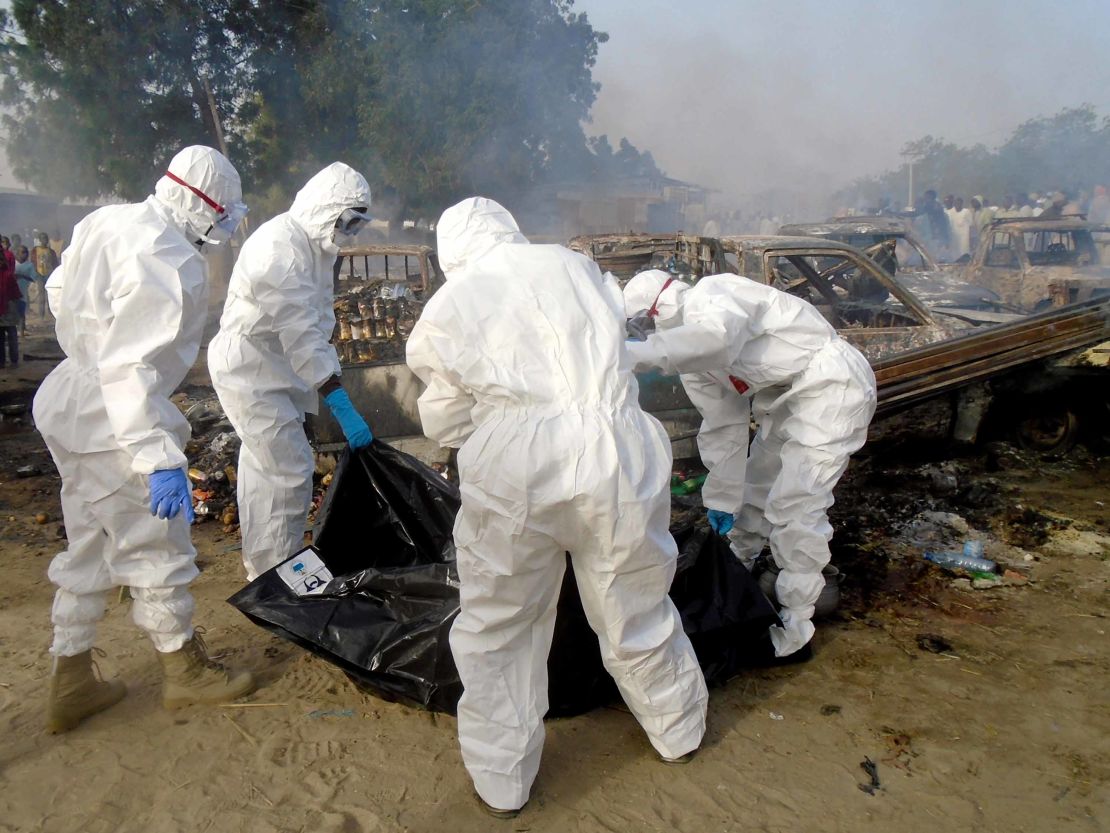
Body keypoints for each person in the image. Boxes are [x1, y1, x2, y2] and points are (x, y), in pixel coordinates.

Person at [406, 198, 707, 817]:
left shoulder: (449, 304)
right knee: (635, 598)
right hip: (619, 448)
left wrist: (492, 428)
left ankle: (503, 780)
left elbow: (444, 418)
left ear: (451, 253)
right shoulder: (576, 268)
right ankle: (678, 730)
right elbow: (617, 349)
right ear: (511, 229)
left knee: (500, 623)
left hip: (516, 464)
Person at [33, 145, 255, 734]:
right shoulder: (169, 258)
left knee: (87, 542)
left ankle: (72, 680)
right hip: (112, 417)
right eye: (223, 213)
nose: (223, 225)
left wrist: (91, 340)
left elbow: (60, 295)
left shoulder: (109, 219)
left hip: (70, 396)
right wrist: (157, 457)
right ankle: (185, 672)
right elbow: (130, 369)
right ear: (200, 203)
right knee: (155, 542)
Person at [622, 270, 876, 661]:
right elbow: (724, 428)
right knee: (757, 488)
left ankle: (794, 626)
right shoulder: (695, 368)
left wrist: (634, 354)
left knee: (797, 503)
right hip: (781, 398)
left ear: (662, 307)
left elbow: (715, 340)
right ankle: (738, 581)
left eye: (648, 325)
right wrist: (722, 499)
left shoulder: (715, 293)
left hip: (830, 385)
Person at [208, 162, 375, 582]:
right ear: (327, 208)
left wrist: (325, 373)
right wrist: (338, 399)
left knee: (263, 470)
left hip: (274, 368)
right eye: (348, 222)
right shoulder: (279, 247)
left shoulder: (311, 246)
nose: (349, 233)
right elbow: (300, 331)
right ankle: (276, 578)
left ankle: (266, 570)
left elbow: (317, 322)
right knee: (287, 469)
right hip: (251, 369)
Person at [0, 243, 21, 368]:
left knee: (7, 336)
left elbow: (15, 293)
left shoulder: (8, 275)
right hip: (9, 307)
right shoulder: (9, 275)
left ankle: (6, 361)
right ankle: (11, 361)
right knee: (9, 335)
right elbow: (16, 294)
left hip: (8, 307)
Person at [31, 231, 59, 318]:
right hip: (39, 274)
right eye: (42, 238)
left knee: (50, 294)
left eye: (45, 238)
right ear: (39, 239)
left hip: (49, 275)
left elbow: (55, 263)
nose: (44, 240)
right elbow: (33, 262)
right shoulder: (35, 250)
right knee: (41, 295)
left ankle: (51, 312)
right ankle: (41, 314)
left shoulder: (51, 251)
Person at [14, 245, 36, 334]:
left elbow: (33, 278)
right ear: (17, 253)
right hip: (11, 293)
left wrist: (22, 276)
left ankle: (22, 332)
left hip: (22, 293)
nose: (25, 254)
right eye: (22, 252)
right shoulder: (13, 263)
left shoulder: (29, 265)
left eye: (26, 252)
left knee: (21, 313)